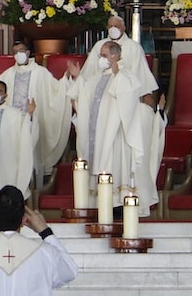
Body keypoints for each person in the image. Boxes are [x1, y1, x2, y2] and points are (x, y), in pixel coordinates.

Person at [0, 43, 71, 186]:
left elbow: (56, 91)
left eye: (20, 51)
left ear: (28, 53)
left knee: (29, 148)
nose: (18, 54)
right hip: (9, 129)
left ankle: (27, 186)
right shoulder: (9, 73)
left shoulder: (40, 72)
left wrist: (66, 80)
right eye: (15, 52)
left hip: (30, 125)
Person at [65, 42, 154, 208]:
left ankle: (115, 204)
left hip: (114, 135)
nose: (101, 59)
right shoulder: (98, 76)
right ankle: (97, 204)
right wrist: (78, 78)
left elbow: (129, 99)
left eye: (104, 55)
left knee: (112, 164)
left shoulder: (126, 75)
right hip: (96, 135)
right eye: (101, 55)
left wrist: (117, 74)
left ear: (115, 56)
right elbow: (84, 96)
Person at [80, 16, 158, 93]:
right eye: (110, 26)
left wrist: (144, 94)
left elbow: (140, 72)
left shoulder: (133, 47)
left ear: (123, 28)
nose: (113, 29)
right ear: (107, 28)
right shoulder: (99, 45)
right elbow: (90, 69)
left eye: (116, 26)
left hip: (126, 90)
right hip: (103, 89)